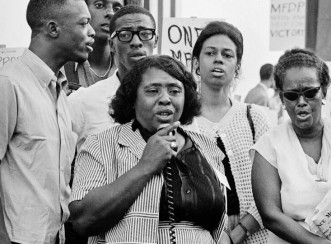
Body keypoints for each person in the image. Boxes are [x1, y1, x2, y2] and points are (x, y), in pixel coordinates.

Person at [69, 55, 226, 243]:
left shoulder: (207, 148)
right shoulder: (102, 145)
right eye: (153, 91)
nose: (165, 99)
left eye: (175, 91)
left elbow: (218, 228)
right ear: (133, 98)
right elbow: (82, 220)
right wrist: (145, 166)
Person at [0, 0, 95, 243]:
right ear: (53, 29)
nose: (92, 32)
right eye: (84, 23)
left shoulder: (60, 92)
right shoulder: (8, 84)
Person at [251, 48, 331, 244]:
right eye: (292, 96)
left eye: (310, 93)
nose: (301, 102)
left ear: (324, 91)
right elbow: (270, 215)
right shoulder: (269, 146)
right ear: (282, 98)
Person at [190, 21, 270, 244]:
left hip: (260, 236)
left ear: (237, 66)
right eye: (210, 53)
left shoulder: (254, 117)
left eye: (227, 55)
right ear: (196, 62)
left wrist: (240, 232)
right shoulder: (183, 123)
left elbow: (275, 185)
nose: (218, 59)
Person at [69, 4, 158, 151]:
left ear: (156, 40)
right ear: (111, 44)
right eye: (124, 35)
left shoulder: (174, 100)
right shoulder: (82, 102)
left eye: (145, 33)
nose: (136, 42)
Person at [64, 0, 123, 93]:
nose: (111, 13)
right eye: (99, 5)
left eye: (117, 9)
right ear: (83, 9)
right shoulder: (61, 67)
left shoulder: (128, 67)